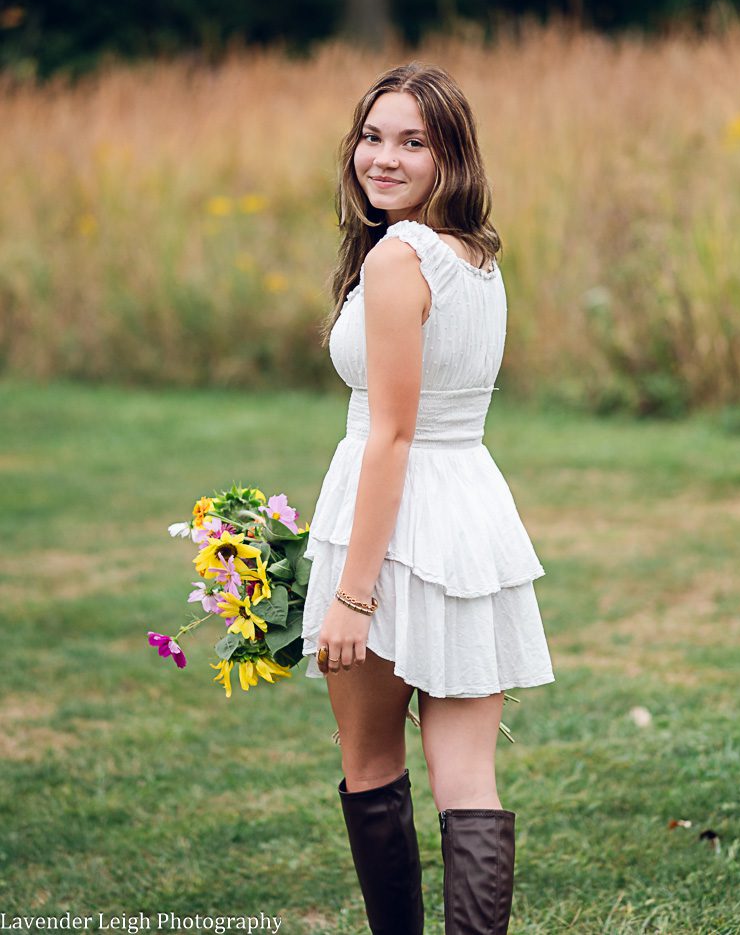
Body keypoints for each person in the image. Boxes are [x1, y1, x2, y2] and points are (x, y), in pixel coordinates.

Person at [300, 61, 555, 935]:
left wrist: (350, 594)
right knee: (467, 777)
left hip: (398, 522)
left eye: (413, 141)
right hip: (471, 513)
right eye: (373, 136)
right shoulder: (474, 256)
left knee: (371, 760)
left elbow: (393, 436)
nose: (385, 157)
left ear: (452, 155)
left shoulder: (400, 257)